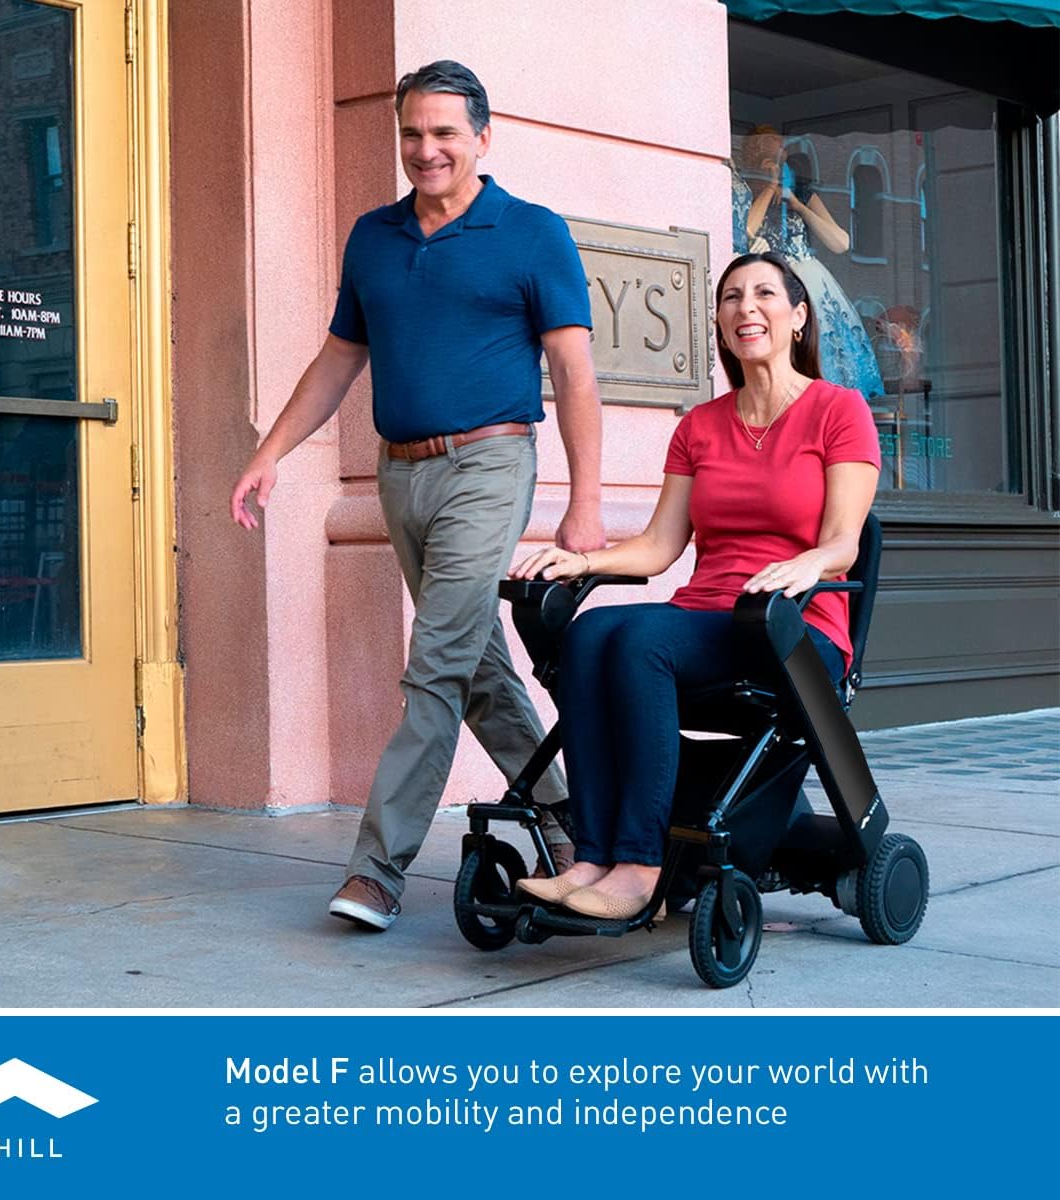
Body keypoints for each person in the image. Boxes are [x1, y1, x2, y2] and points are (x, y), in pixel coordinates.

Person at [229, 60, 604, 931]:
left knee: (434, 662)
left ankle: (377, 870)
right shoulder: (374, 236)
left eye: (444, 132)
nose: (426, 149)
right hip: (400, 474)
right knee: (474, 667)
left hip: (489, 465)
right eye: (412, 133)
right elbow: (338, 359)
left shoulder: (532, 233)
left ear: (482, 137)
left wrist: (583, 502)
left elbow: (574, 373)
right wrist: (270, 452)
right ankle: (568, 819)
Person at [510, 252, 880, 920]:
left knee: (640, 642)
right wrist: (581, 562)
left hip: (790, 628)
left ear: (798, 316)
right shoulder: (700, 426)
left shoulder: (839, 411)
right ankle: (591, 857)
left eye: (764, 294)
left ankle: (640, 868)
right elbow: (660, 545)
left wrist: (809, 565)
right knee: (589, 632)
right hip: (705, 617)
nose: (745, 308)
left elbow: (844, 541)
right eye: (731, 297)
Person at [737, 127, 884, 401]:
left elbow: (840, 242)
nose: (776, 156)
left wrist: (797, 204)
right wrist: (769, 187)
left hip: (807, 278)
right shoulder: (746, 190)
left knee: (819, 347)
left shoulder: (800, 191)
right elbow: (746, 230)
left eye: (779, 150)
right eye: (767, 151)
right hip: (771, 281)